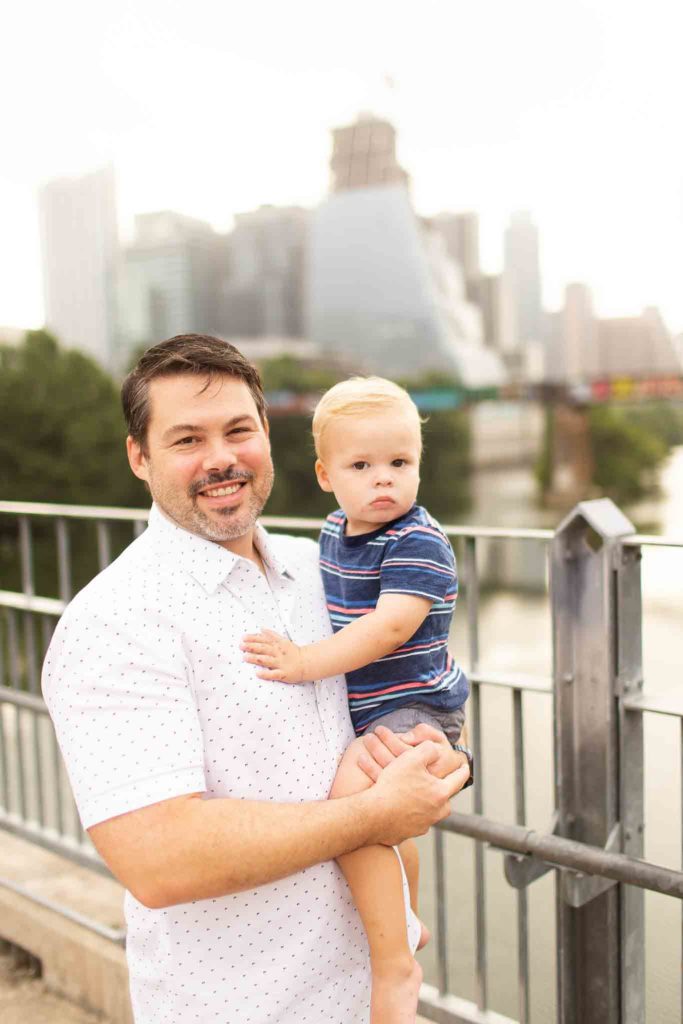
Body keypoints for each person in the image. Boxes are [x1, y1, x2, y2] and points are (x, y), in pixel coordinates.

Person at [42, 335, 471, 1024]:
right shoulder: (114, 622)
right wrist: (374, 814)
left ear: (267, 439)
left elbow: (412, 669)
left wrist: (439, 755)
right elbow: (159, 860)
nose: (220, 458)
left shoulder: (319, 570)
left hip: (367, 999)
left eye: (238, 430)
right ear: (138, 457)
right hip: (243, 1007)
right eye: (186, 439)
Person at [241, 377, 471, 1023]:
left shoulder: (416, 541)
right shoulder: (336, 531)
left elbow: (389, 627)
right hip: (370, 705)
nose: (383, 481)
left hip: (413, 707)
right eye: (361, 465)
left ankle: (394, 964)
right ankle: (406, 919)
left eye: (399, 463)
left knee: (355, 809)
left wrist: (305, 663)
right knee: (389, 825)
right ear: (324, 474)